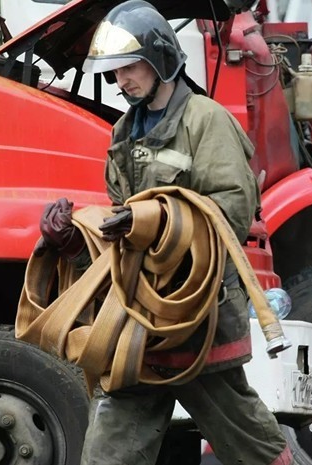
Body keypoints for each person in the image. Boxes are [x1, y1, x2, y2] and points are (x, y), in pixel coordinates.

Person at [37, 1, 293, 464]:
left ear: (160, 59)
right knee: (108, 451)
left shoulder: (205, 120)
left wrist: (153, 224)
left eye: (130, 67)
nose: (122, 81)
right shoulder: (122, 135)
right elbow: (118, 245)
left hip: (201, 320)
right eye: (115, 72)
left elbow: (229, 214)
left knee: (253, 447)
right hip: (141, 328)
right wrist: (74, 241)